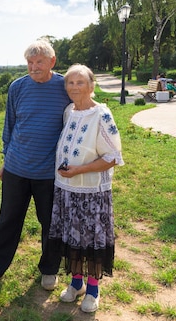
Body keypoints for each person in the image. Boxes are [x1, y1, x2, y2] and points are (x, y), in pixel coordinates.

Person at [0, 38, 71, 291]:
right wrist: (6, 161)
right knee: (8, 220)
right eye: (30, 62)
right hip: (16, 168)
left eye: (39, 61)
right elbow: (10, 127)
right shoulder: (17, 87)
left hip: (49, 173)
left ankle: (50, 270)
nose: (34, 66)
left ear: (52, 61)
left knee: (50, 223)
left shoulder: (65, 87)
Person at [49, 64, 123, 313]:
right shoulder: (69, 111)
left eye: (80, 82)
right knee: (72, 237)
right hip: (67, 190)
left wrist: (79, 170)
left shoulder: (101, 115)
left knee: (91, 240)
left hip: (92, 193)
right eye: (70, 82)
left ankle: (93, 290)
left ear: (91, 86)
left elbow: (112, 157)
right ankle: (76, 282)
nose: (74, 87)